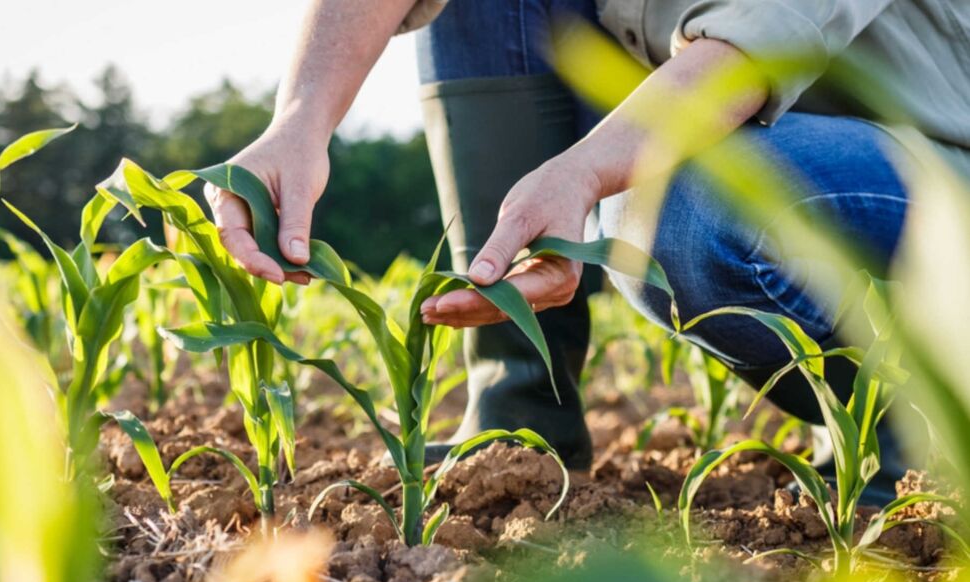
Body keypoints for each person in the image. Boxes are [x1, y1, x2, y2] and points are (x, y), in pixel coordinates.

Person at [205, 0, 970, 501]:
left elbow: (758, 43)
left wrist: (584, 172)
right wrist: (301, 119)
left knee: (680, 206)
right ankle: (522, 422)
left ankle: (918, 432)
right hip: (772, 144)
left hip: (936, 170)